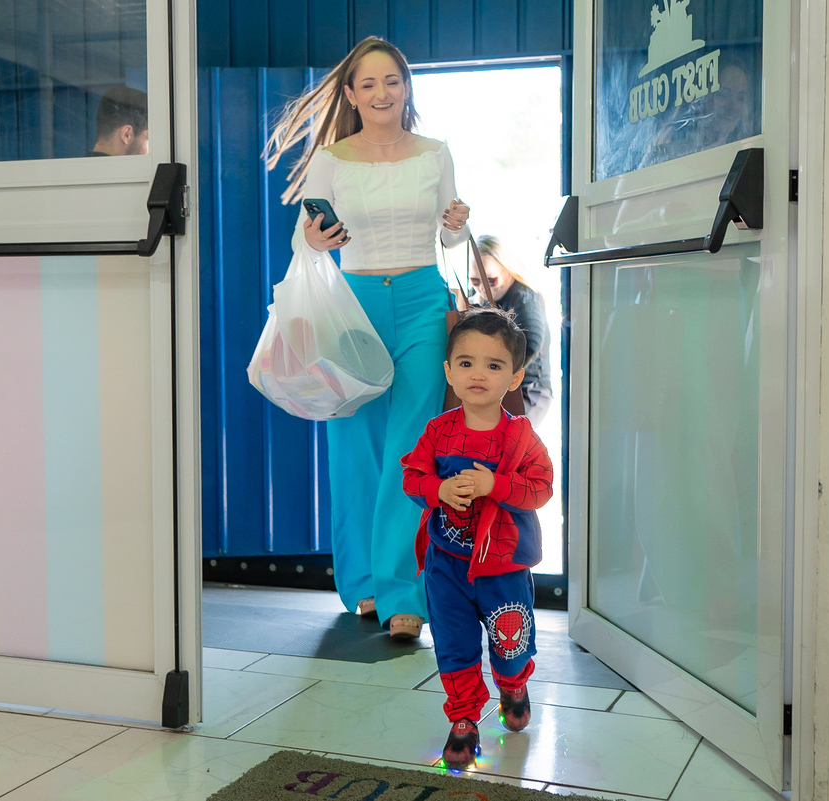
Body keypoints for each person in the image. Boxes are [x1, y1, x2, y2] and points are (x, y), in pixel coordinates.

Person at [263, 37, 471, 640]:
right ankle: (361, 582)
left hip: (421, 301)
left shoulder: (436, 154)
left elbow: (451, 240)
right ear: (351, 95)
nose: (383, 93)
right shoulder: (331, 159)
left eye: (394, 82)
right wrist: (315, 241)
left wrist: (458, 227)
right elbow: (306, 241)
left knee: (412, 446)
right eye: (369, 84)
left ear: (407, 89)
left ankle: (404, 590)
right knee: (354, 442)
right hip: (350, 304)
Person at [400, 308, 554, 769]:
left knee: (508, 648)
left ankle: (512, 683)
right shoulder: (438, 431)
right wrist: (439, 489)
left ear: (514, 377)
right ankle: (464, 719)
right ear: (448, 372)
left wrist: (495, 487)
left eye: (493, 365)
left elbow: (542, 489)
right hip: (447, 566)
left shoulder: (521, 437)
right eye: (465, 363)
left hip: (503, 569)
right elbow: (412, 476)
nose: (477, 374)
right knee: (453, 645)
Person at [469, 236, 553, 427]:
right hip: (504, 386)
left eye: (491, 280)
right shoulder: (485, 295)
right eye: (475, 281)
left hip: (529, 390)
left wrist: (493, 374)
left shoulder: (524, 297)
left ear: (508, 271)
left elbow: (531, 343)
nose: (482, 288)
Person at [89, 86, 149, 156]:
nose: (149, 151)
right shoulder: (137, 166)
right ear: (127, 134)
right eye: (147, 138)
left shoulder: (79, 165)